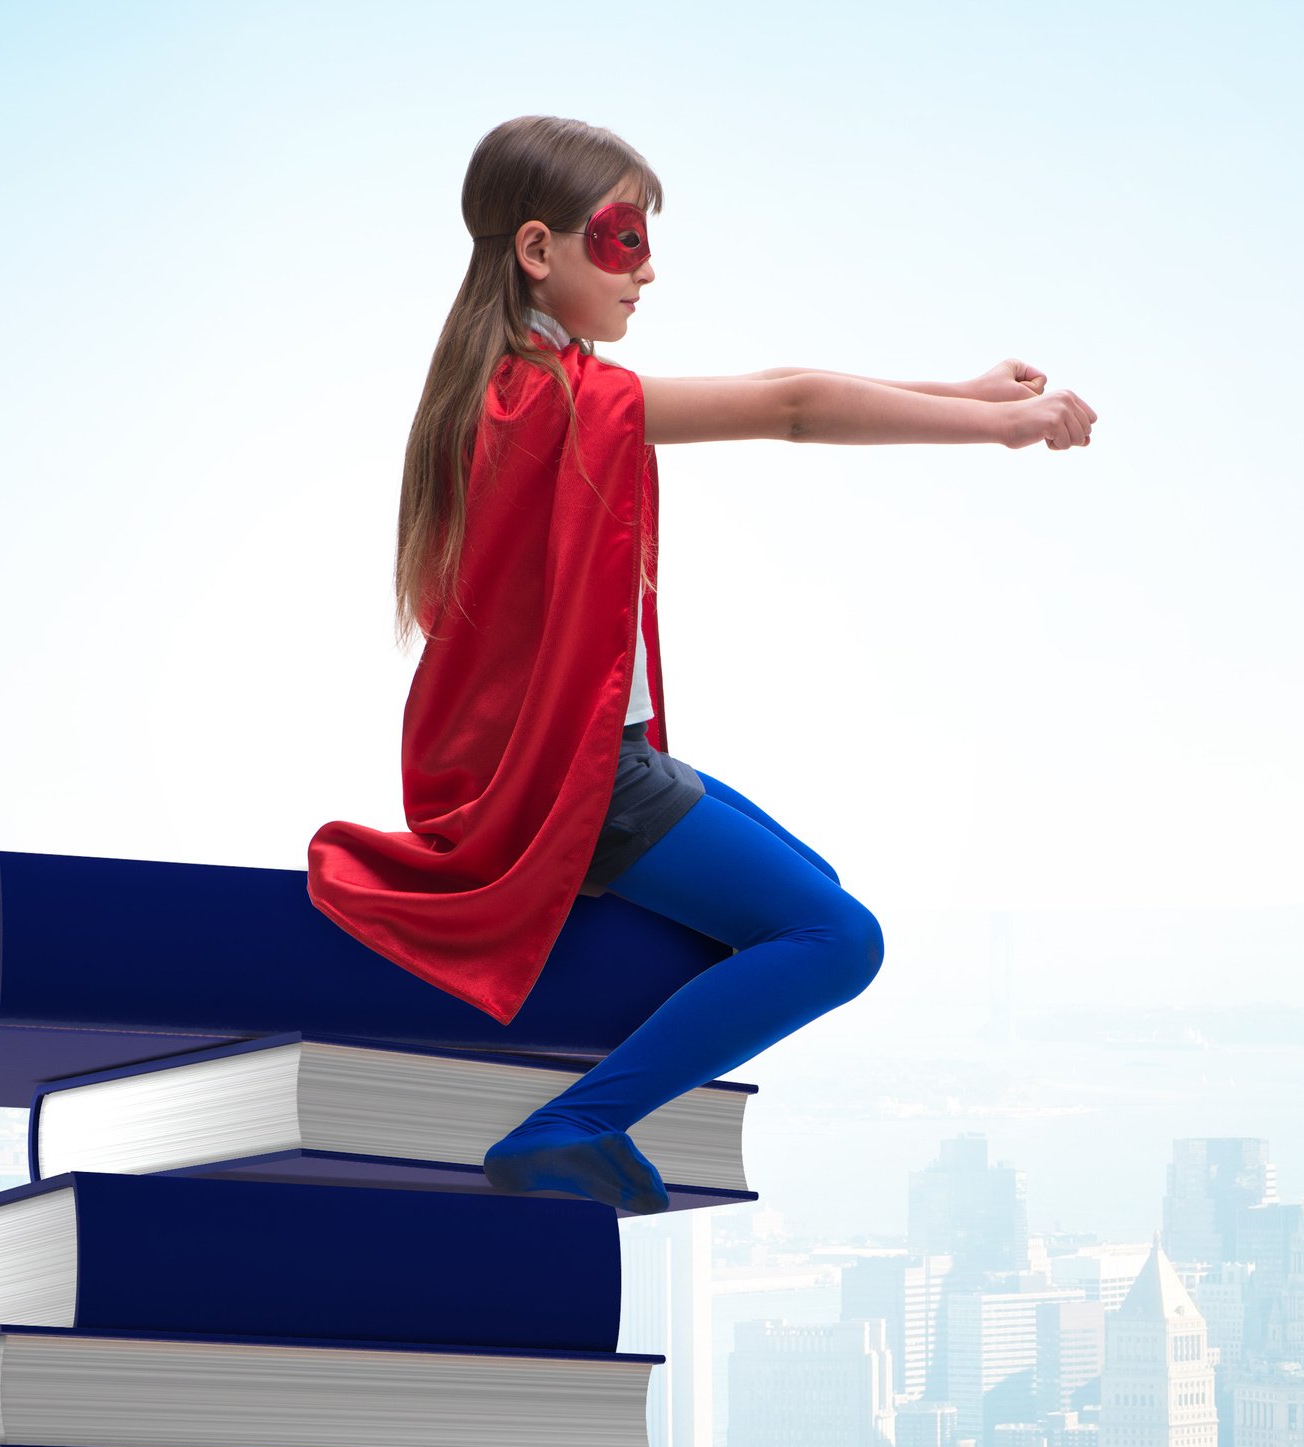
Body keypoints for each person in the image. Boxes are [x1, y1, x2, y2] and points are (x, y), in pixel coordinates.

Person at [309, 115, 1093, 1212]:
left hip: (590, 766)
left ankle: (591, 1086)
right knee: (837, 940)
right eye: (622, 239)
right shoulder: (557, 398)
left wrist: (965, 393)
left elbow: (784, 386)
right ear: (540, 250)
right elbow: (790, 408)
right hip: (585, 784)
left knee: (808, 891)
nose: (648, 270)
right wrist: (999, 431)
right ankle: (573, 1124)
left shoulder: (521, 384)